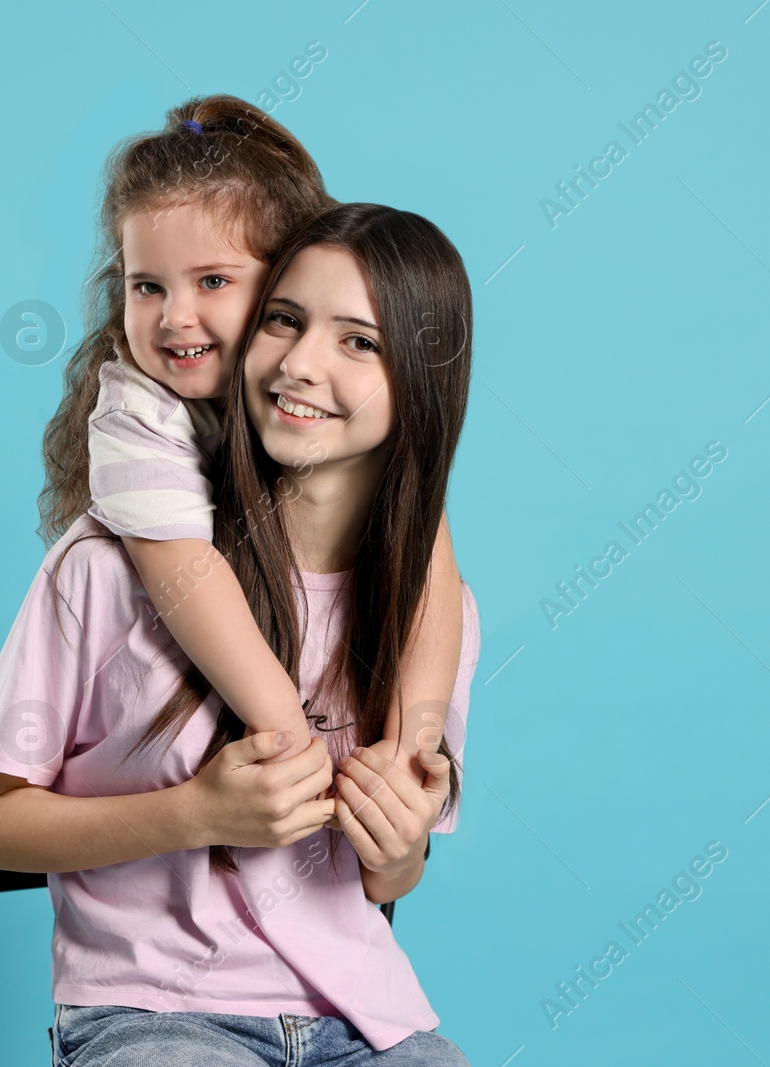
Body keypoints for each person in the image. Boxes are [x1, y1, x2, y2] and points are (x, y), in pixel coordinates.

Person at [0, 202, 479, 1064]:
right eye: (283, 320)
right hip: (155, 1017)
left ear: (421, 377)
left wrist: (399, 840)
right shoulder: (105, 571)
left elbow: (392, 878)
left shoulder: (425, 606)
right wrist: (192, 814)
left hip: (363, 1020)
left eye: (360, 341)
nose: (303, 364)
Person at [37, 94, 465, 798]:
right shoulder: (135, 409)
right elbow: (182, 571)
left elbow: (425, 543)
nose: (175, 318)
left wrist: (409, 750)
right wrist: (289, 738)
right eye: (147, 286)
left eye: (212, 281)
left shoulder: (310, 408)